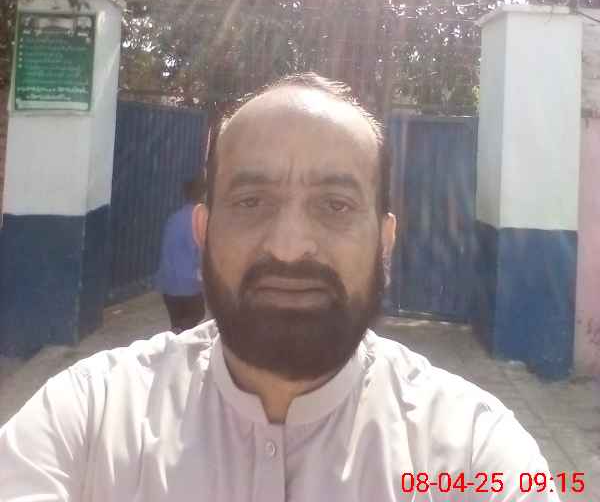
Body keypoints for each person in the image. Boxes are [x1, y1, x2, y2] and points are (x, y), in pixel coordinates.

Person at [1, 73, 558, 501]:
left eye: (335, 205)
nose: (290, 247)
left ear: (385, 240)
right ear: (203, 231)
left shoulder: (473, 452)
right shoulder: (90, 419)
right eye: (251, 202)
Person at [155, 176, 206, 333]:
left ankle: (176, 333)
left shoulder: (174, 217)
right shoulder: (200, 217)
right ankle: (177, 334)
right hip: (188, 284)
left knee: (178, 321)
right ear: (203, 195)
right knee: (197, 314)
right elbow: (202, 252)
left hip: (167, 282)